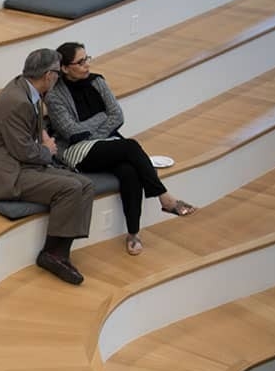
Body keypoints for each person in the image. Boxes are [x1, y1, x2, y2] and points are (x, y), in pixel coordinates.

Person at [47, 42, 197, 255]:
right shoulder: (54, 95)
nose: (87, 65)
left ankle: (133, 233)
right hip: (75, 150)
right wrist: (101, 118)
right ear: (64, 68)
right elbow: (71, 132)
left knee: (129, 170)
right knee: (131, 146)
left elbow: (117, 116)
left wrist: (94, 133)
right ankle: (164, 197)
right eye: (80, 62)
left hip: (105, 143)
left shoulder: (98, 82)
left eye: (87, 59)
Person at [0, 48, 95, 285]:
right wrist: (47, 151)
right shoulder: (17, 101)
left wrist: (42, 135)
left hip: (23, 163)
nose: (58, 78)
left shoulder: (25, 88)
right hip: (8, 172)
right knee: (71, 187)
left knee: (86, 184)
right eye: (57, 74)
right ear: (49, 75)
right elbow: (23, 151)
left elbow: (28, 127)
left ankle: (60, 251)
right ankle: (51, 254)